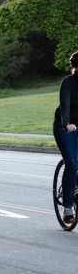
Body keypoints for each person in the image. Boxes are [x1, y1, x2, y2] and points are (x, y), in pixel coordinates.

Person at [54, 51, 78, 224]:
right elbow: (65, 106)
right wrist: (67, 123)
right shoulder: (68, 82)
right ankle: (68, 207)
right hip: (66, 126)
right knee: (72, 164)